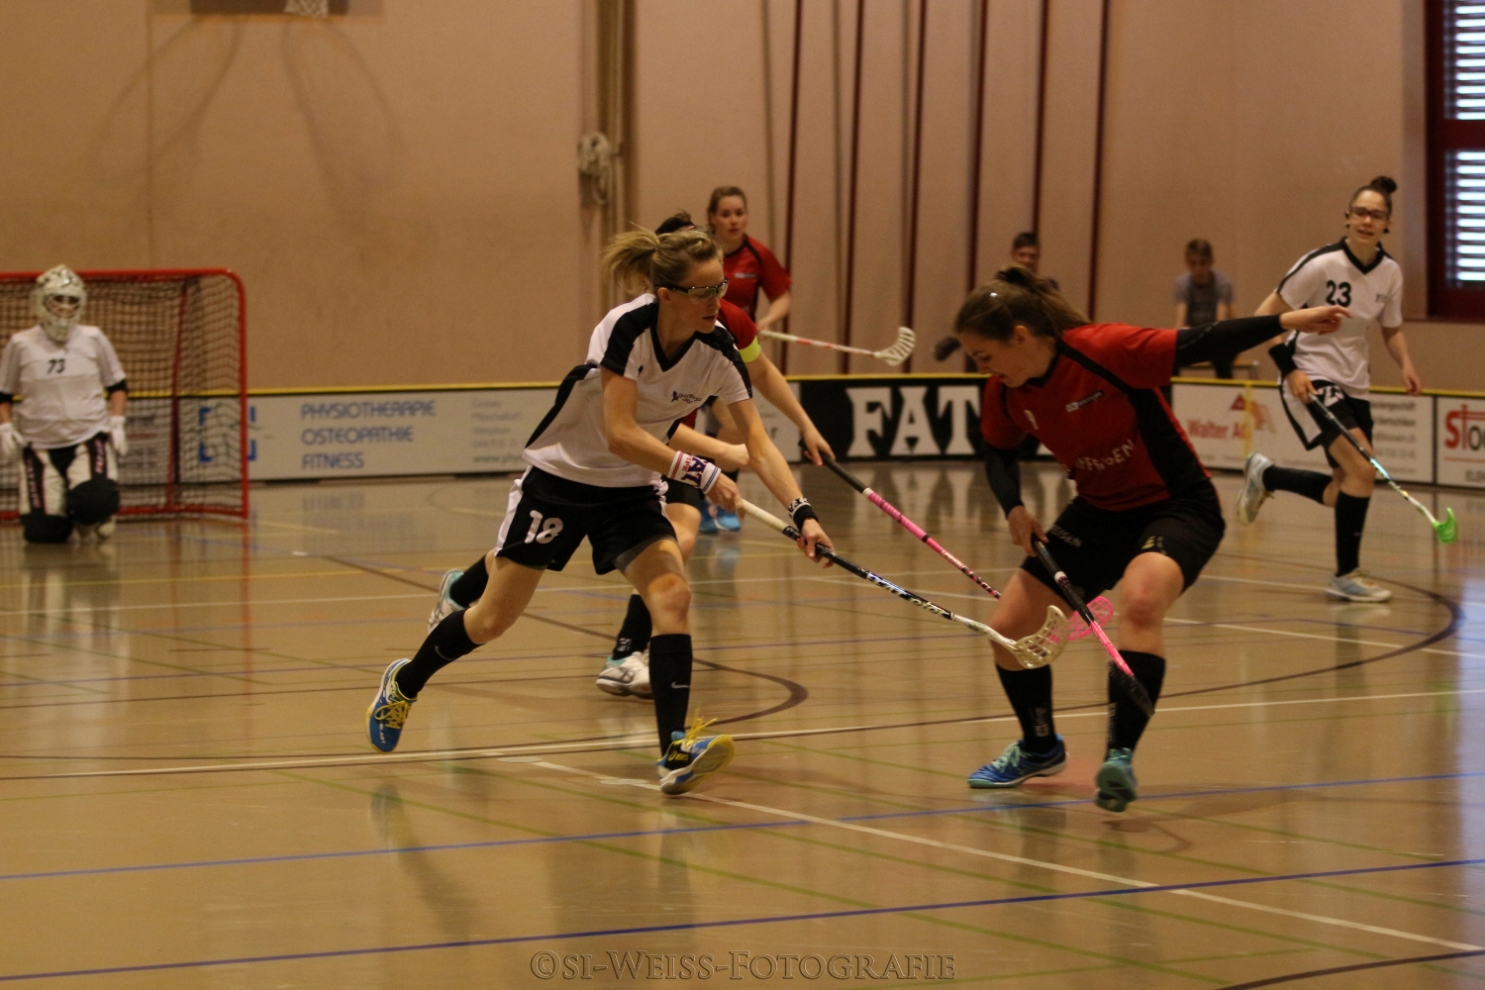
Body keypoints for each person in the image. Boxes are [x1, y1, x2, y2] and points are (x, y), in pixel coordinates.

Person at [367, 227, 833, 796]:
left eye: (721, 289)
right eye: (704, 291)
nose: (719, 301)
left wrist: (803, 513)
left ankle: (674, 751)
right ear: (668, 295)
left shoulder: (717, 351)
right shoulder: (625, 328)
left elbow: (758, 443)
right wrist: (701, 471)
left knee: (673, 596)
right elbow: (620, 434)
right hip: (561, 480)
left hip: (630, 490)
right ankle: (405, 682)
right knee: (490, 620)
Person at [958, 265, 1344, 811]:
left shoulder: (1105, 350)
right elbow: (998, 451)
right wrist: (1014, 507)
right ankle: (1040, 748)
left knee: (1140, 602)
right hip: (1098, 511)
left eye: (984, 355)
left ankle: (1119, 758)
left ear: (1020, 337)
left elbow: (1200, 341)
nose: (982, 368)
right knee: (1008, 632)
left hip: (1177, 505)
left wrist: (1285, 321)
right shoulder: (1004, 392)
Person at [1235, 176, 1418, 604]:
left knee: (1346, 488)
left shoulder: (1390, 272)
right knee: (1363, 471)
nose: (1367, 221)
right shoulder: (1320, 264)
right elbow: (1264, 317)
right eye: (1360, 213)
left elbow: (1391, 328)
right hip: (1310, 375)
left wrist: (1406, 364)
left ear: (1388, 223)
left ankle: (1267, 475)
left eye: (1376, 215)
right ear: (1348, 217)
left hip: (1356, 383)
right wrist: (1291, 370)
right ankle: (1345, 574)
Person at [0, 266, 128, 544]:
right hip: (40, 447)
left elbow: (117, 384)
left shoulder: (93, 338)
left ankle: (91, 513)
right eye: (58, 299)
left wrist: (117, 422)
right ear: (41, 302)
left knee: (95, 502)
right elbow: (3, 393)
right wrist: (5, 427)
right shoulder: (20, 344)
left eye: (72, 301)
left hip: (87, 439)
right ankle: (65, 512)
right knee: (44, 533)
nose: (65, 307)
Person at [707, 186, 791, 331]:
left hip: (741, 335)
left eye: (739, 213)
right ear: (712, 217)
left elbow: (781, 298)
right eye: (725, 215)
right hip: (704, 334)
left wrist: (768, 320)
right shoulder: (699, 251)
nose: (734, 221)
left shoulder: (759, 253)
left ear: (747, 216)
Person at [1172, 239, 1236, 378]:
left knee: (1222, 352)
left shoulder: (1222, 283)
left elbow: (1220, 323)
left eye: (1202, 263)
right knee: (1170, 355)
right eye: (1193, 263)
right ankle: (1170, 391)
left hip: (1217, 336)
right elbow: (1180, 323)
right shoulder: (1182, 284)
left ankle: (1225, 390)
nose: (1198, 268)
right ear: (1186, 262)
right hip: (1195, 336)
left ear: (1211, 262)